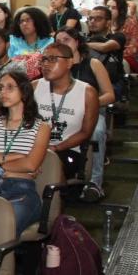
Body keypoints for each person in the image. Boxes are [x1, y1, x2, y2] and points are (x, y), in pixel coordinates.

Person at [0, 71, 50, 236]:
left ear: (24, 91)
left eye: (10, 87)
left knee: (1, 229)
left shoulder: (41, 127)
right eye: (1, 88)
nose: (3, 92)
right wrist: (17, 156)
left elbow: (31, 164)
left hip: (22, 191)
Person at [55, 26, 115, 202]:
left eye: (66, 40)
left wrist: (88, 104)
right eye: (58, 41)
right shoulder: (56, 68)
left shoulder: (93, 63)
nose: (61, 44)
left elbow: (109, 94)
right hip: (62, 113)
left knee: (96, 131)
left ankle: (95, 184)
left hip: (92, 112)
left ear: (77, 42)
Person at [32, 43, 99, 180]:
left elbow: (86, 132)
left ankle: (54, 200)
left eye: (52, 59)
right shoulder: (34, 87)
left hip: (67, 150)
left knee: (49, 164)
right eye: (43, 59)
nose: (45, 64)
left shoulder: (87, 92)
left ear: (69, 62)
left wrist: (56, 148)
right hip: (33, 147)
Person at [107, 0, 138, 72]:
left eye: (113, 8)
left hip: (128, 58)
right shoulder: (105, 22)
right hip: (108, 56)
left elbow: (134, 48)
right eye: (108, 7)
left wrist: (115, 56)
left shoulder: (130, 22)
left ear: (121, 10)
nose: (109, 10)